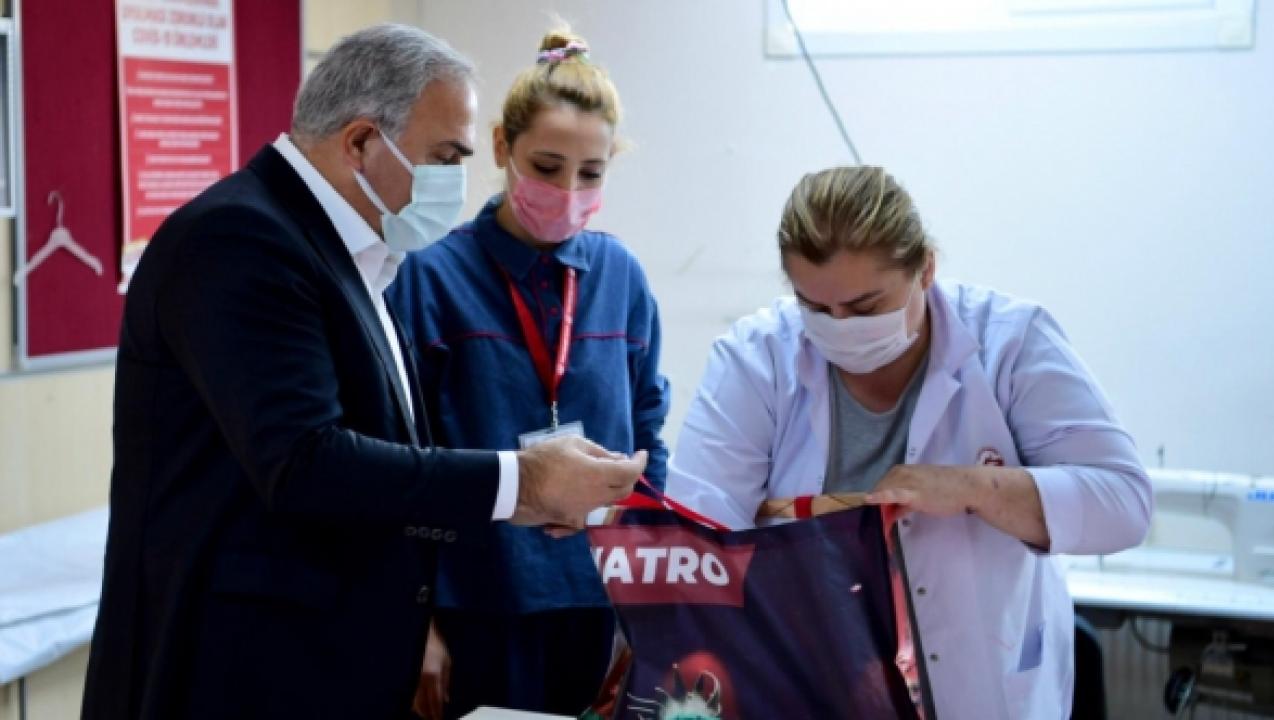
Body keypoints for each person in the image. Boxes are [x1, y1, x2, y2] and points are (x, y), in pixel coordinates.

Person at [81, 24, 646, 720]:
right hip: (234, 675)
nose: (453, 180)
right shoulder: (240, 238)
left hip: (323, 665)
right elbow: (304, 462)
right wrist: (521, 482)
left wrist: (525, 501)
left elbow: (391, 460)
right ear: (359, 143)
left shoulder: (357, 258)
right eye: (444, 157)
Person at [665, 166, 1152, 719]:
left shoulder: (1010, 343)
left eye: (865, 307)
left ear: (926, 269)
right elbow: (695, 535)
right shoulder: (758, 357)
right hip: (809, 681)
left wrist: (974, 488)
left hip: (981, 687)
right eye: (815, 308)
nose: (840, 326)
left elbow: (1124, 503)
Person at [387, 29, 669, 720]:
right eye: (547, 166)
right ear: (501, 147)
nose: (568, 191)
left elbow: (649, 436)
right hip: (475, 602)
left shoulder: (620, 276)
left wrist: (650, 602)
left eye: (591, 173)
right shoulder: (431, 276)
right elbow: (400, 463)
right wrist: (417, 623)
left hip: (597, 601)